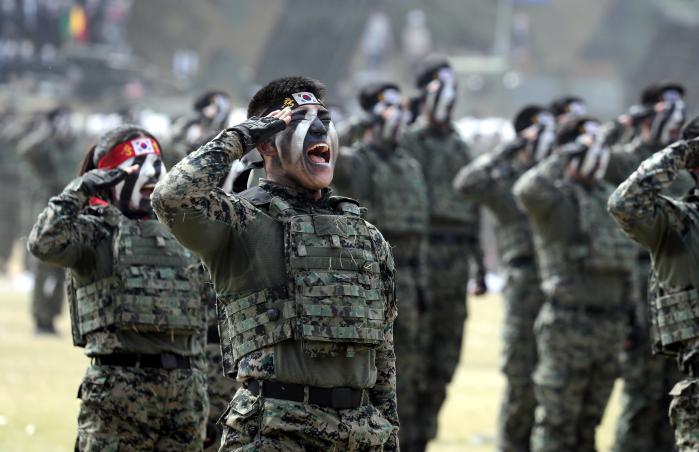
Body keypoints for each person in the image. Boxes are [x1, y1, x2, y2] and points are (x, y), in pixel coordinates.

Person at [152, 76, 399, 451]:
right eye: (300, 118)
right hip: (275, 433)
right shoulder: (240, 221)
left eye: (324, 118)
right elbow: (172, 198)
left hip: (361, 435)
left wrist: (388, 433)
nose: (320, 128)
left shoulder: (366, 235)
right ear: (267, 142)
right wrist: (243, 135)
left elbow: (382, 355)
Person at [27, 125, 208, 450]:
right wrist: (81, 188)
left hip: (185, 392)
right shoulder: (95, 232)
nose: (152, 172)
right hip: (119, 390)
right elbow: (43, 243)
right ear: (110, 178)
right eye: (138, 166)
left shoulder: (183, 232)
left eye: (157, 161)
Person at [513, 117, 636, 452]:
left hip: (610, 324)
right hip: (569, 323)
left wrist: (631, 318)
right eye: (587, 147)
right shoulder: (556, 201)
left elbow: (629, 263)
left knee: (589, 423)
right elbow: (526, 190)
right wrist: (564, 153)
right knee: (557, 422)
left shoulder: (611, 199)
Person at [333, 82, 429, 452]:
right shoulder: (359, 161)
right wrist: (363, 121)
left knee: (410, 373)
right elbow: (330, 148)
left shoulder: (409, 163)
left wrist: (421, 287)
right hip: (368, 279)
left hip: (410, 278)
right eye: (386, 108)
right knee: (368, 371)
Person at [454, 105, 553, 452]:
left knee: (558, 385)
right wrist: (508, 150)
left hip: (559, 284)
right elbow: (467, 184)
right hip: (523, 280)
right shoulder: (507, 179)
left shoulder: (556, 178)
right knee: (522, 382)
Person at [400, 56, 486, 449]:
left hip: (456, 262)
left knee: (445, 357)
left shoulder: (459, 145)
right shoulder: (407, 141)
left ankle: (425, 436)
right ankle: (406, 438)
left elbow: (472, 211)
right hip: (421, 260)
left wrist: (480, 266)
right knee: (412, 357)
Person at [603, 83, 688, 452]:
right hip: (637, 286)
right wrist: (625, 124)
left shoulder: (682, 170)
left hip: (676, 287)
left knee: (673, 397)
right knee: (640, 396)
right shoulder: (627, 159)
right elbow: (594, 157)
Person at [19, 105, 83, 334]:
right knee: (41, 267)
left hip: (70, 211)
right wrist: (47, 132)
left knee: (64, 270)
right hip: (46, 209)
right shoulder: (44, 146)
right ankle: (39, 317)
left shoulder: (74, 144)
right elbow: (25, 149)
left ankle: (52, 317)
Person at [167, 90, 232, 168]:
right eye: (209, 105)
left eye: (213, 105)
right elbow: (173, 142)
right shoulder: (189, 124)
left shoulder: (222, 133)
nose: (208, 109)